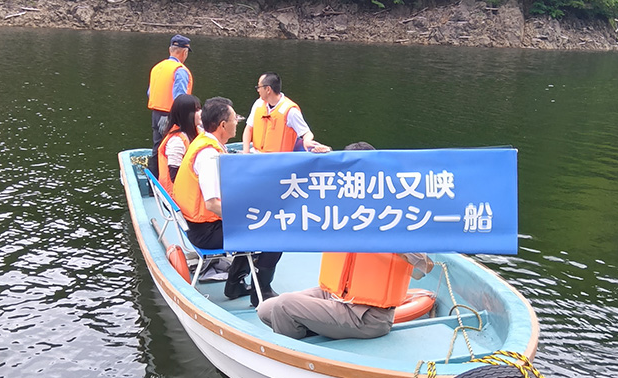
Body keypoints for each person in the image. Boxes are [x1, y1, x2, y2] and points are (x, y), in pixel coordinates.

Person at [257, 142, 434, 340]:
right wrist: (319, 159)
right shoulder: (343, 207)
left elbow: (423, 268)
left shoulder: (392, 214)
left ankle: (296, 350)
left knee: (284, 305)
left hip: (367, 315)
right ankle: (316, 328)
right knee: (265, 309)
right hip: (335, 295)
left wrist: (382, 237)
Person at [173, 97, 281, 306]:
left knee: (254, 221)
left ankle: (235, 285)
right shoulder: (209, 156)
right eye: (235, 119)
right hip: (204, 232)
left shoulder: (205, 143)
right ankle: (262, 292)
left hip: (200, 225)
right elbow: (212, 204)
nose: (237, 122)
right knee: (276, 232)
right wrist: (246, 220)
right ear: (223, 125)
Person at [242, 72, 331, 154]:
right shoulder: (258, 104)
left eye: (259, 87)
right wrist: (246, 151)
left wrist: (307, 141)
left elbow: (307, 133)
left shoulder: (290, 111)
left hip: (279, 159)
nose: (258, 90)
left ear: (268, 89)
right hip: (256, 155)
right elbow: (248, 129)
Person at [147, 34, 194, 176]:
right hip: (171, 116)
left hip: (156, 114)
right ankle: (169, 182)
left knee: (157, 147)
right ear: (185, 52)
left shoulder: (157, 67)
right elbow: (180, 99)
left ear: (170, 50)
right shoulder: (180, 70)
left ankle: (153, 180)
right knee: (173, 149)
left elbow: (150, 92)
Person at [157, 93, 201, 194]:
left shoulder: (198, 131)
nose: (201, 113)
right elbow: (174, 177)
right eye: (196, 110)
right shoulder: (176, 141)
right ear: (186, 115)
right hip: (176, 194)